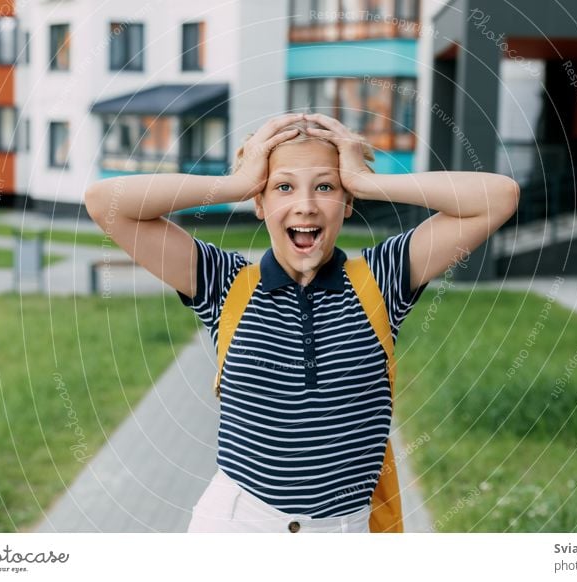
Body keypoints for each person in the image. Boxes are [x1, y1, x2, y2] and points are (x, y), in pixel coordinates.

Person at [85, 112, 520, 533]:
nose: (306, 206)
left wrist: (369, 181)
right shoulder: (224, 283)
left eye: (326, 186)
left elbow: (499, 197)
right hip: (239, 529)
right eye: (284, 187)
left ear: (347, 202)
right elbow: (106, 203)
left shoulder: (382, 280)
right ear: (260, 201)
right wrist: (236, 183)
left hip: (343, 533)